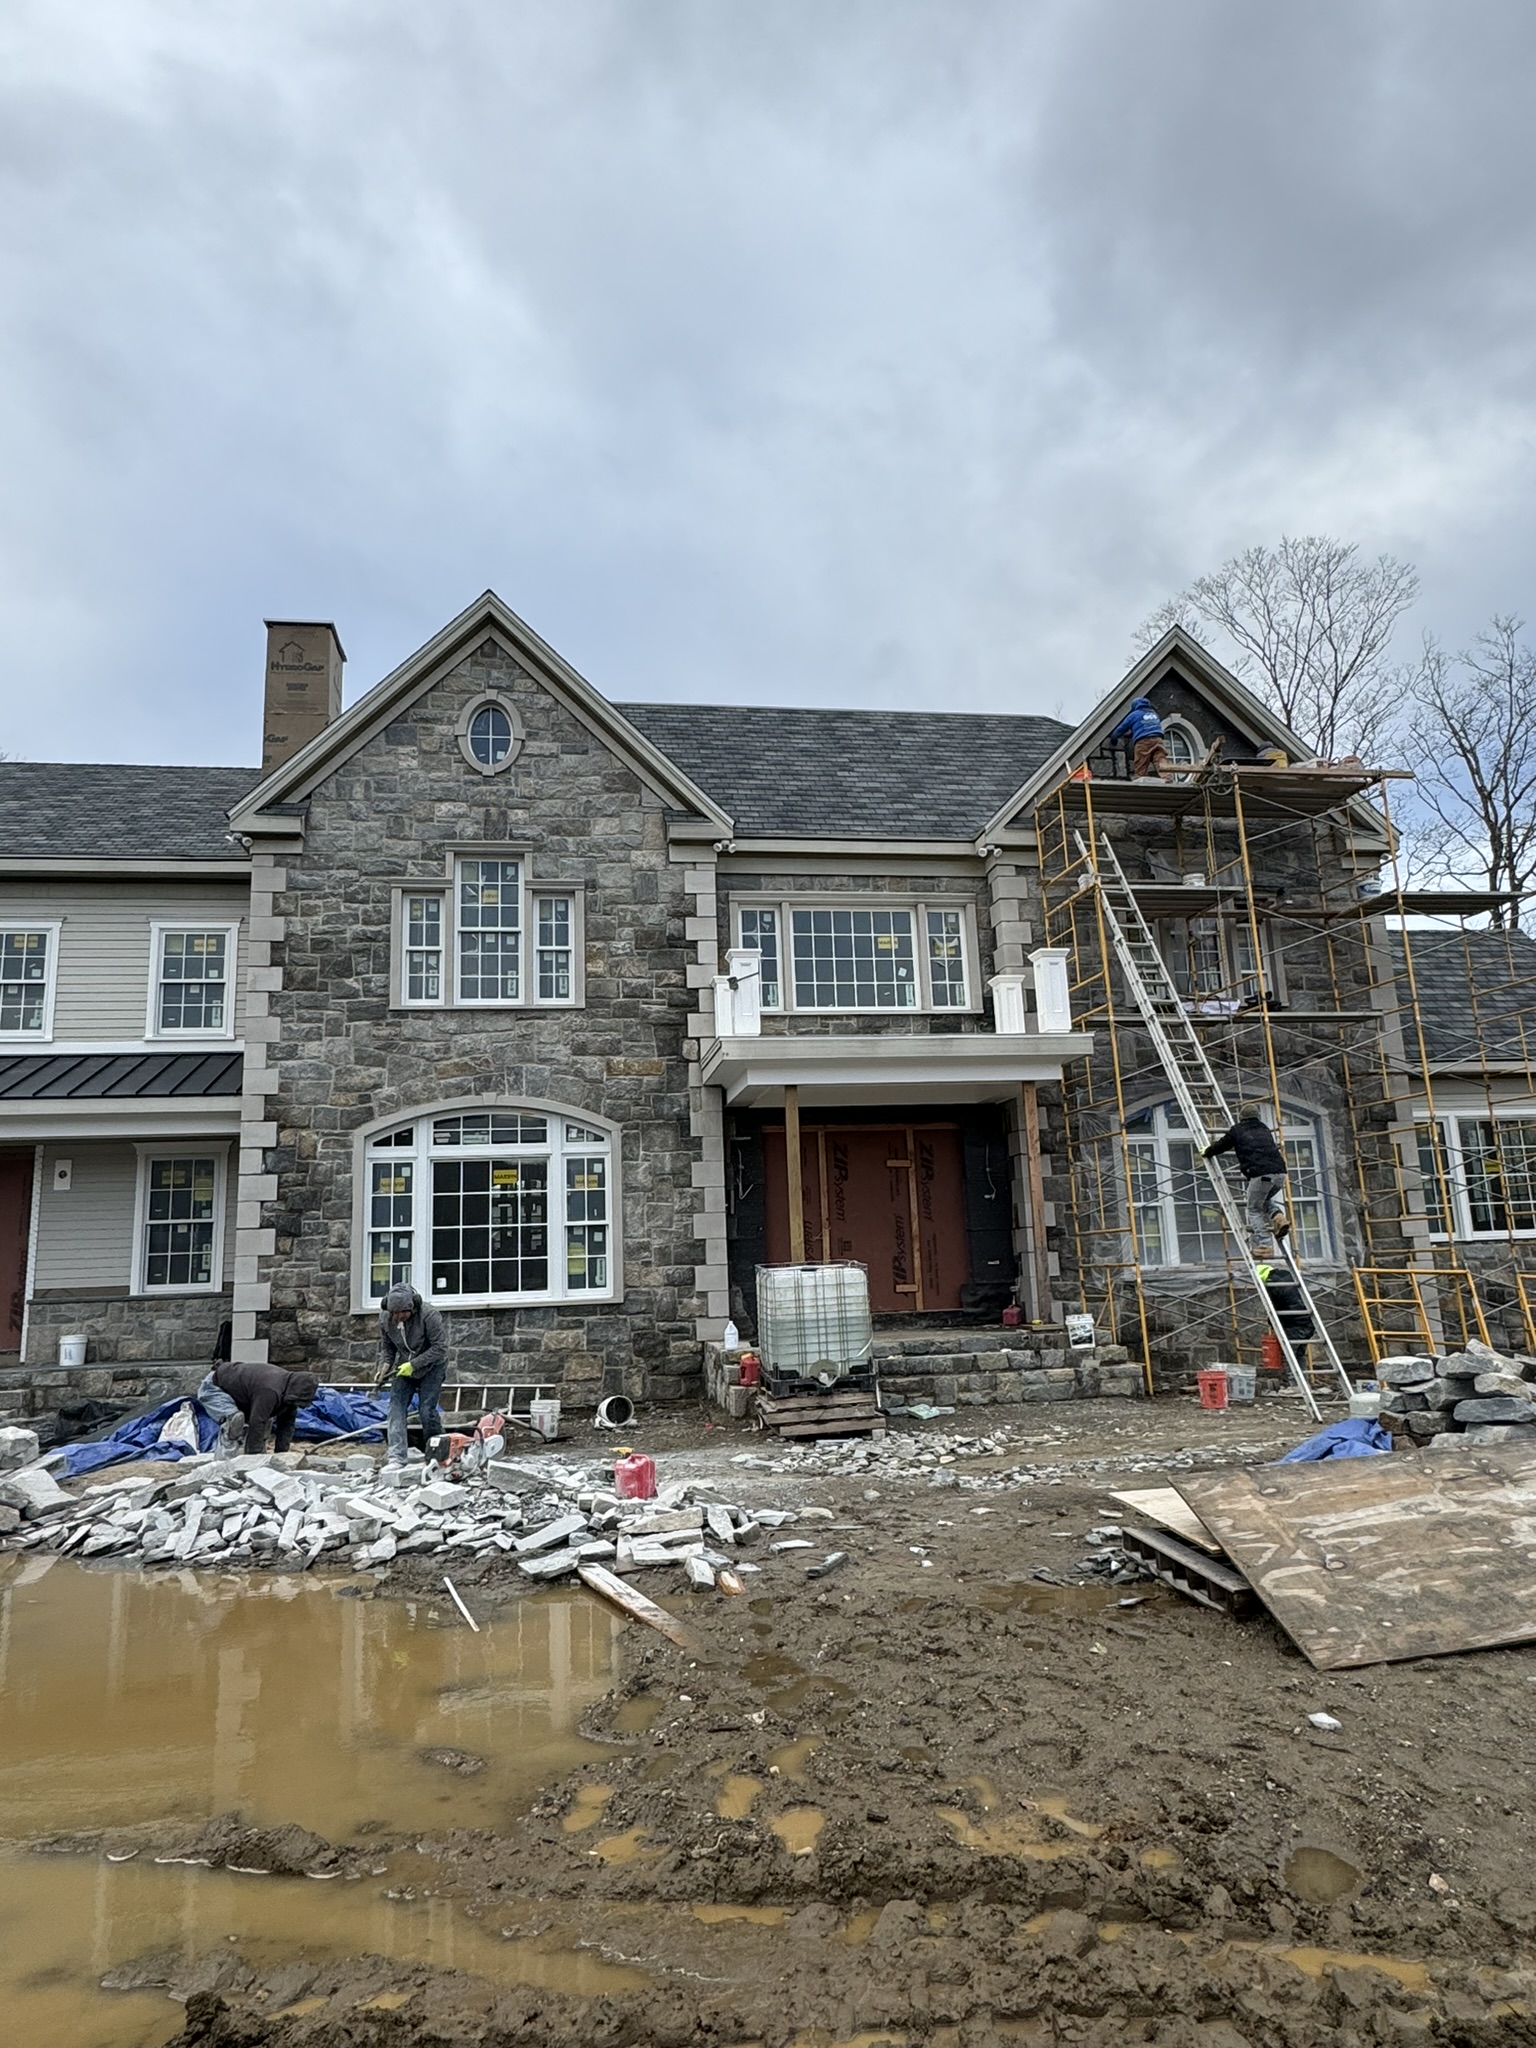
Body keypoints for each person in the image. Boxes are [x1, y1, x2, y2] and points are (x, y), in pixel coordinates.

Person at [377, 1283, 449, 1468]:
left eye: (402, 1312)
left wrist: (414, 1364)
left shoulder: (429, 1315)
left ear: (413, 1306)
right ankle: (396, 1457)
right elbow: (388, 1348)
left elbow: (440, 1348)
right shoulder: (385, 1319)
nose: (398, 1317)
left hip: (432, 1367)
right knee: (396, 1408)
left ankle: (438, 1454)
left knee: (427, 1411)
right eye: (394, 1313)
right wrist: (384, 1367)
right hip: (404, 1368)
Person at [1202, 1102, 1290, 1246]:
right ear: (1257, 1116)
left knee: (1253, 1209)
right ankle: (1279, 1218)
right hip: (1280, 1173)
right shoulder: (1264, 1128)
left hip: (1261, 1174)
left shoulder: (1237, 1130)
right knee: (1264, 1199)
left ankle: (1264, 1243)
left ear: (1241, 1117)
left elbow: (1222, 1145)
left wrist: (1207, 1151)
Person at [209, 1359, 321, 1456]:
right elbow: (257, 1421)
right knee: (235, 1420)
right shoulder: (270, 1391)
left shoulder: (290, 1393)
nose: (295, 1405)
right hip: (215, 1386)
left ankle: (251, 1453)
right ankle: (221, 1460)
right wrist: (254, 1457)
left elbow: (287, 1425)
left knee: (266, 1421)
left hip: (243, 1395)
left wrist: (281, 1454)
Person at [1257, 1261, 1315, 1370]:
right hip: (1309, 1321)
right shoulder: (1286, 1275)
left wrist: (1271, 1322)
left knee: (1289, 1357)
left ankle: (1293, 1380)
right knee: (1299, 1354)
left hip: (1294, 1324)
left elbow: (1275, 1307)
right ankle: (1303, 1378)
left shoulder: (1272, 1284)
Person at [1107, 695, 1172, 781]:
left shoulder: (1134, 715)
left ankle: (1140, 780)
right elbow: (1147, 727)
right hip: (1158, 740)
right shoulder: (1153, 714)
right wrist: (1133, 734)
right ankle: (1167, 777)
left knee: (1141, 762)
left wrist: (1113, 738)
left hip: (1143, 742)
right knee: (1160, 759)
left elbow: (1122, 728)